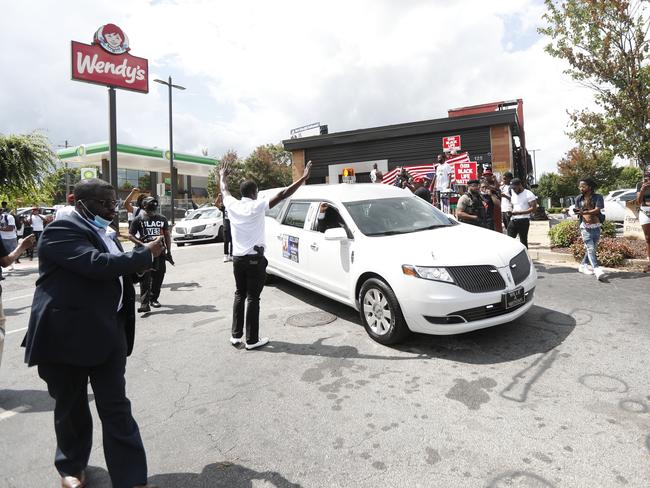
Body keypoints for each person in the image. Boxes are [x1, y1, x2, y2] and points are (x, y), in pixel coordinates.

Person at [22, 178, 163, 488]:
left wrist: (138, 269)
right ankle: (71, 466)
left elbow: (114, 269)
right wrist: (144, 255)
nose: (110, 209)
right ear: (77, 201)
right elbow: (95, 264)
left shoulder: (107, 232)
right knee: (71, 409)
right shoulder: (61, 230)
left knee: (116, 407)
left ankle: (131, 478)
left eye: (112, 203)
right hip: (66, 335)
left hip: (108, 331)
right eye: (102, 203)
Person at [220, 159, 313, 350]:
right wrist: (303, 178)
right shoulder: (257, 206)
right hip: (254, 259)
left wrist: (222, 175)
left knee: (239, 294)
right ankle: (252, 340)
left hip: (237, 259)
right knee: (253, 298)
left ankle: (236, 336)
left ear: (242, 193)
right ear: (254, 193)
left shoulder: (232, 205)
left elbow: (224, 190)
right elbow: (284, 193)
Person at [129, 197, 172, 313]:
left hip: (160, 252)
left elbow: (167, 235)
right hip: (145, 253)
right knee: (145, 278)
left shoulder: (162, 219)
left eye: (154, 204)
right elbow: (130, 235)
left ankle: (154, 299)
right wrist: (142, 244)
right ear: (144, 206)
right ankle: (144, 304)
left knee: (158, 276)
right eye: (150, 204)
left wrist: (169, 251)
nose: (153, 206)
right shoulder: (138, 219)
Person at [507, 178, 537, 248]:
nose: (513, 190)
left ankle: (524, 258)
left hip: (524, 220)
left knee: (523, 241)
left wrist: (519, 213)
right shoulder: (513, 193)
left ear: (520, 185)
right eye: (512, 188)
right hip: (513, 219)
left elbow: (534, 208)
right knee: (509, 240)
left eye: (515, 188)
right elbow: (513, 204)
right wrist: (510, 210)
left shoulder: (528, 194)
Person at [636, 167, 650, 273]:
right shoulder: (640, 185)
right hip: (645, 211)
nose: (648, 177)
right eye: (647, 174)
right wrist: (642, 190)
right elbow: (638, 202)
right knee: (648, 238)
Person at [215, 193, 233, 262]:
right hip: (226, 225)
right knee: (226, 241)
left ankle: (231, 255)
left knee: (232, 241)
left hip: (233, 225)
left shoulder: (233, 207)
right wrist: (219, 197)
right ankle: (226, 255)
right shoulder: (224, 207)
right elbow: (216, 204)